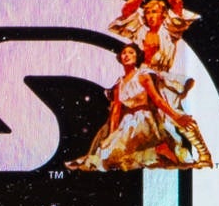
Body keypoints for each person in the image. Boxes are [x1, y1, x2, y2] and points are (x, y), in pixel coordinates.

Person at [68, 43, 210, 171]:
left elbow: (157, 99)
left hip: (144, 120)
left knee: (114, 155)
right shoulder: (119, 84)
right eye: (124, 53)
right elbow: (116, 111)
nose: (127, 55)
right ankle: (158, 152)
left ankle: (168, 151)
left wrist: (175, 116)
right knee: (109, 153)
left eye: (131, 53)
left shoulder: (143, 76)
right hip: (127, 123)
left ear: (137, 57)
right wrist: (112, 135)